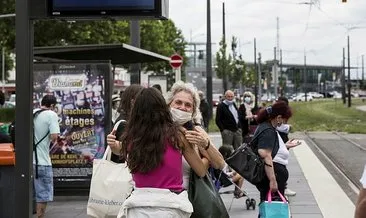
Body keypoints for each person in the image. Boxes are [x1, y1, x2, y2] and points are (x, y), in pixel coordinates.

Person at [119, 87, 207, 217]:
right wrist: (206, 159)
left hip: (138, 206)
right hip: (171, 206)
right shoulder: (177, 136)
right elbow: (201, 170)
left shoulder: (130, 138)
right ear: (163, 108)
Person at [166, 81, 225, 190]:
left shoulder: (196, 131)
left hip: (191, 197)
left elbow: (220, 164)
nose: (182, 107)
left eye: (188, 105)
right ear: (169, 104)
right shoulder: (158, 130)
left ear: (193, 111)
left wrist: (206, 145)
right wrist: (207, 160)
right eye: (178, 102)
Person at [252, 101, 293, 206]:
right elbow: (265, 154)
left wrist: (285, 146)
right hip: (273, 174)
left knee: (269, 208)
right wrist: (273, 180)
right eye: (285, 120)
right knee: (273, 208)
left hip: (274, 173)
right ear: (279, 117)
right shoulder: (268, 130)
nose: (284, 123)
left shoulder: (267, 127)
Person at [33, 95, 60, 218]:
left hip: (29, 161)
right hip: (42, 162)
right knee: (43, 195)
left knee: (32, 194)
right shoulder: (51, 114)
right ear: (53, 106)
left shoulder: (33, 113)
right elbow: (55, 136)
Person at [108, 84, 144, 163]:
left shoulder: (129, 120)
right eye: (142, 100)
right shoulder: (124, 123)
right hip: (122, 171)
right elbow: (123, 153)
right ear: (133, 102)